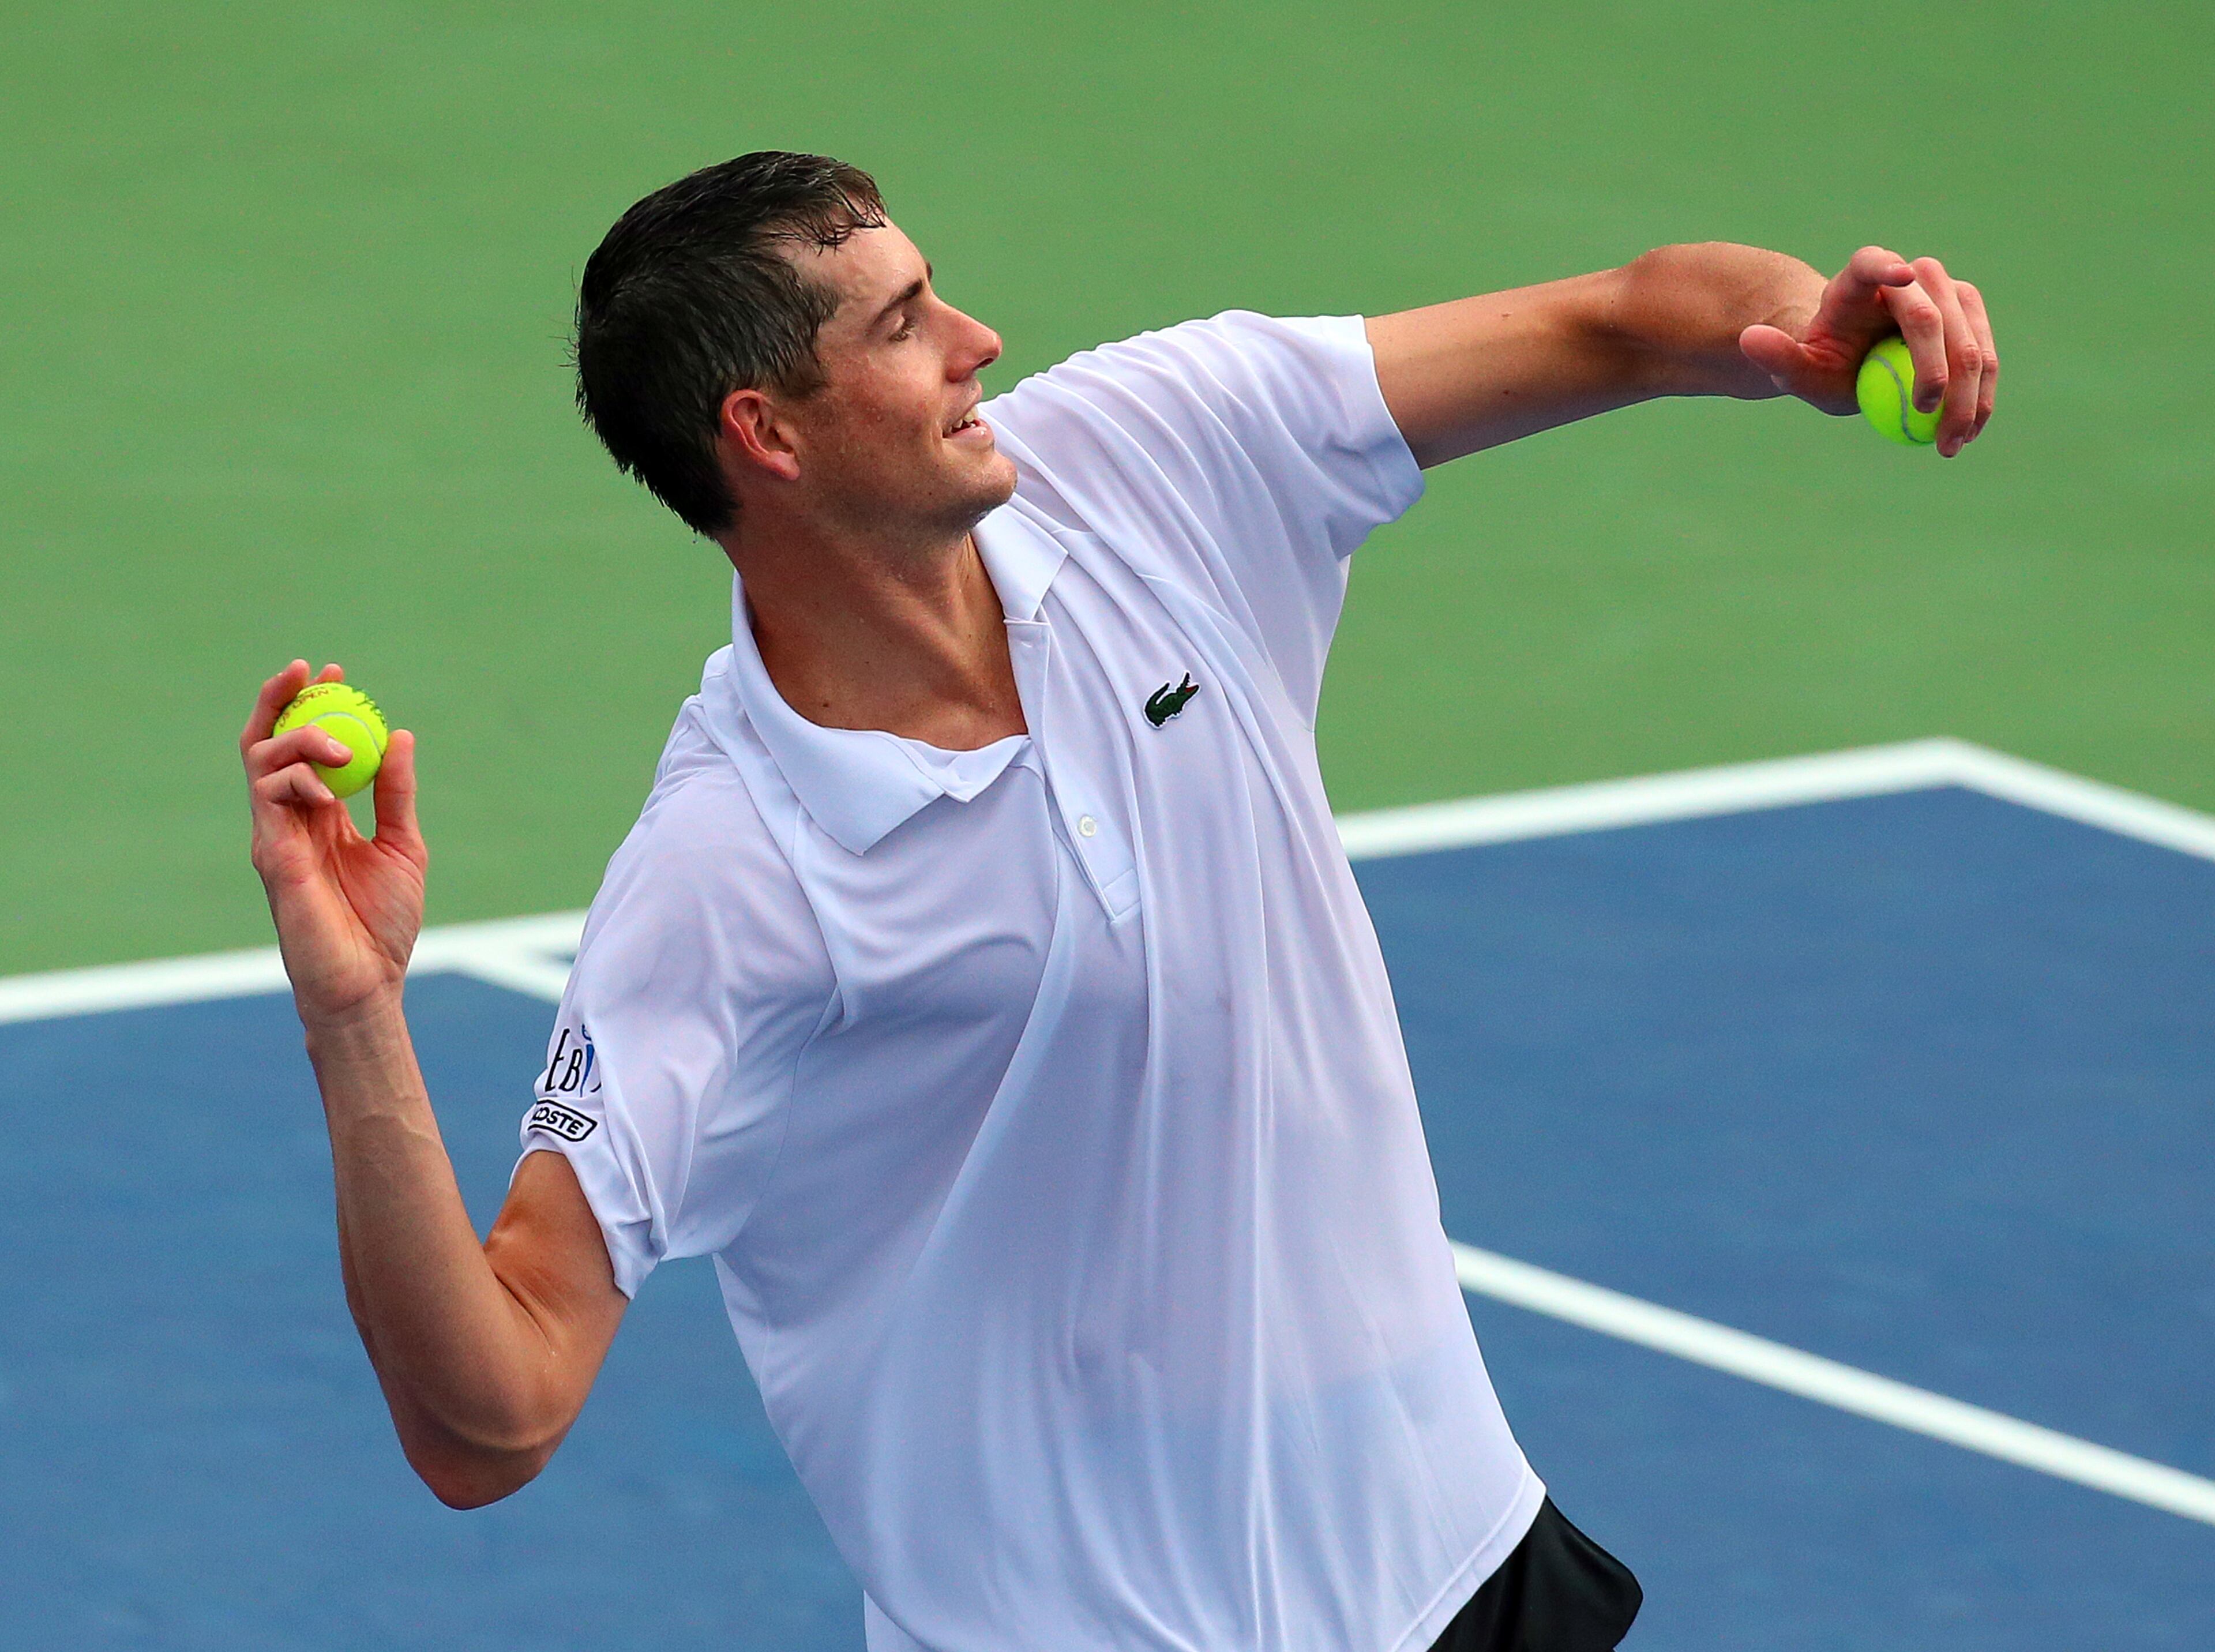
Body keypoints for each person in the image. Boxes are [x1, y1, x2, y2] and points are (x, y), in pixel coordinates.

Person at [241, 151, 1997, 1651]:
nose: (977, 340)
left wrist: (1802, 332)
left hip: (1454, 1576)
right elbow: (494, 1414)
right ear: (764, 434)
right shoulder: (731, 882)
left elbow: (1619, 316)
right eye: (903, 323)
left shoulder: (1165, 455)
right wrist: (353, 1013)